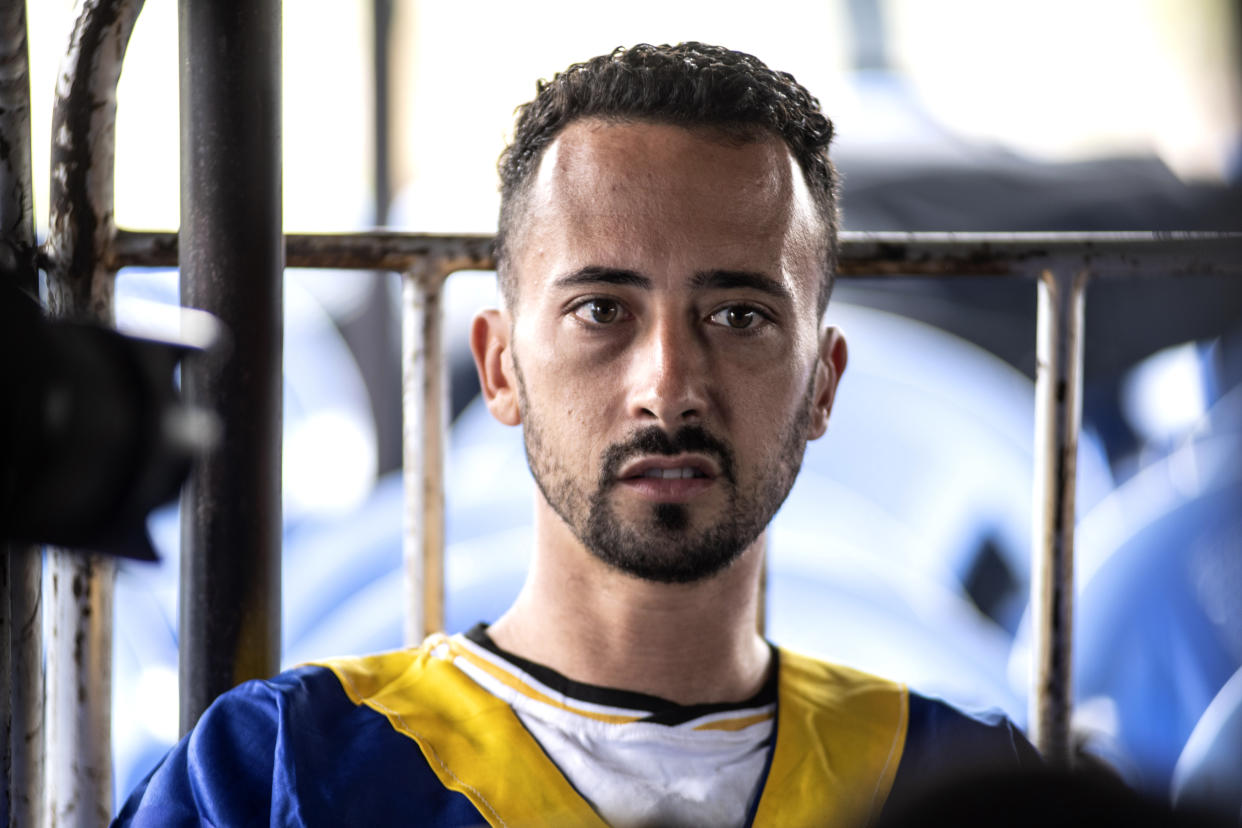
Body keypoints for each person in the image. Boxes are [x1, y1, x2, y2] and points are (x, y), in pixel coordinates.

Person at [115, 42, 1038, 827]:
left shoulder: (959, 781)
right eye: (602, 309)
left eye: (740, 317)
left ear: (823, 385)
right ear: (501, 367)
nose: (669, 387)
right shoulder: (284, 771)